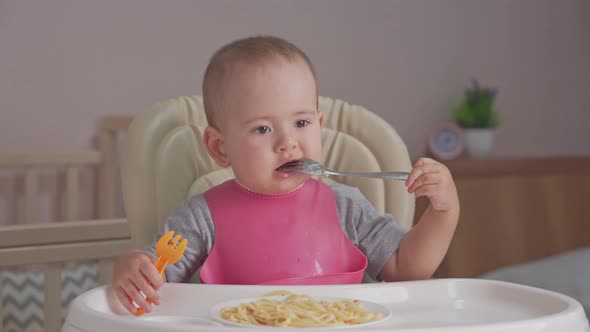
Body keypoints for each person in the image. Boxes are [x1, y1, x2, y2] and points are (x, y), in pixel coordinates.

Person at [112, 35, 460, 314]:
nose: (287, 142)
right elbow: (158, 276)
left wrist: (443, 212)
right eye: (262, 129)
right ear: (220, 148)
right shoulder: (201, 218)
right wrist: (136, 268)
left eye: (301, 123)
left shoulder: (346, 207)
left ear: (319, 127)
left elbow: (407, 268)